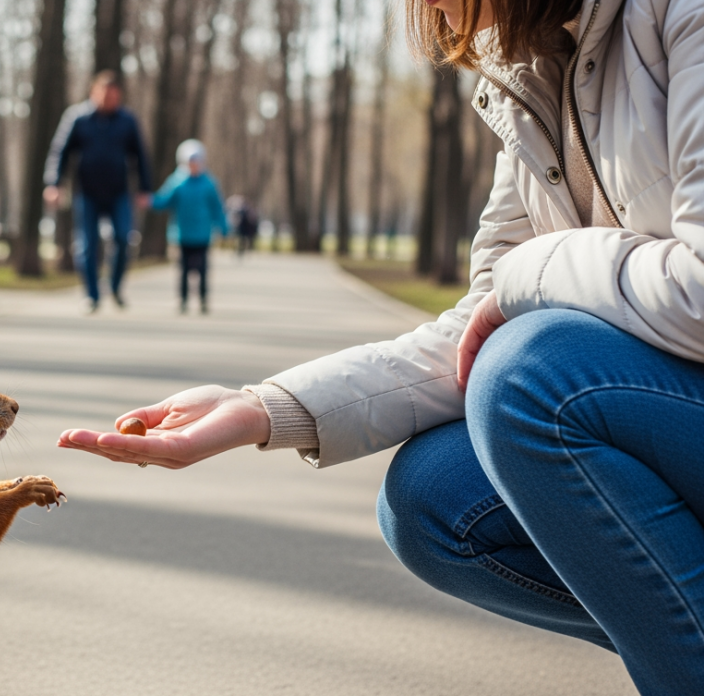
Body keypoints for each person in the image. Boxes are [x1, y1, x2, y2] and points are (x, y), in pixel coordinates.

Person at [58, 0, 704, 692]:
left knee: (527, 375)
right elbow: (477, 330)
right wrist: (263, 409)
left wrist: (531, 273)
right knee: (432, 499)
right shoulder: (529, 73)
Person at [44, 71, 152, 312]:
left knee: (124, 238)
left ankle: (114, 286)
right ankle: (92, 295)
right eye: (105, 96)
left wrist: (144, 188)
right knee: (87, 245)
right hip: (87, 192)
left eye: (114, 97)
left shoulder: (127, 120)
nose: (109, 101)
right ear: (94, 93)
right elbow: (60, 152)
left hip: (118, 192)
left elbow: (140, 156)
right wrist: (54, 183)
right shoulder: (78, 118)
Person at [152, 139, 228, 314]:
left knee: (202, 269)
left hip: (202, 234)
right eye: (190, 162)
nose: (194, 165)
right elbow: (164, 200)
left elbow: (217, 207)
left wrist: (223, 227)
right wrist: (150, 200)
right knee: (183, 269)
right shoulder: (177, 182)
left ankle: (203, 299)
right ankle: (183, 299)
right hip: (182, 233)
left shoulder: (209, 183)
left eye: (196, 161)